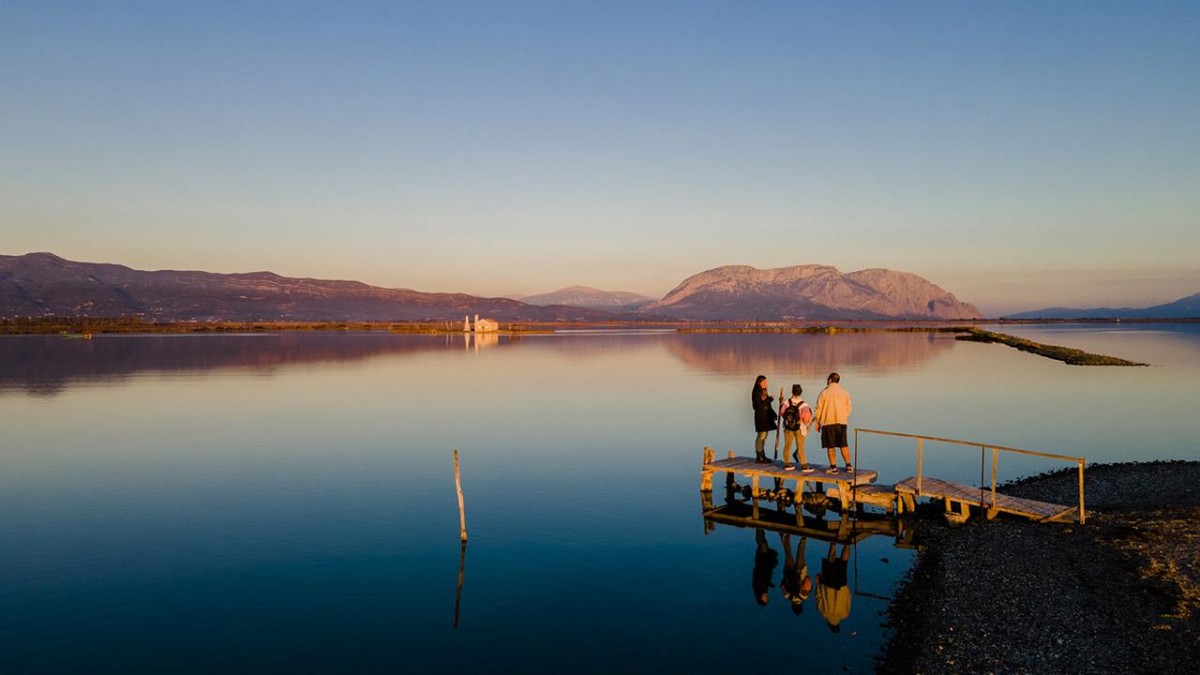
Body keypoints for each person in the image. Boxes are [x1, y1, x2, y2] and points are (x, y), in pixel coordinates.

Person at [813, 372, 852, 473]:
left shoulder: (824, 393)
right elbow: (848, 408)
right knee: (844, 444)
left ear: (830, 380)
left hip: (828, 422)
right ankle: (848, 466)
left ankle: (833, 467)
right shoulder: (844, 392)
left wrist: (817, 422)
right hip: (842, 422)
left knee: (831, 446)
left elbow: (819, 409)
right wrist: (843, 416)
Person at [816, 542, 852, 632]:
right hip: (828, 586)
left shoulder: (845, 614)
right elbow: (818, 597)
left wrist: (847, 588)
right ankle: (833, 544)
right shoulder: (823, 613)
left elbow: (849, 599)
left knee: (843, 563)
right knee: (830, 563)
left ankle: (847, 544)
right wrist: (818, 582)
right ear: (829, 625)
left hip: (842, 587)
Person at [778, 384, 813, 472]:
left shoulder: (787, 402)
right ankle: (804, 465)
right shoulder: (804, 404)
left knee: (787, 445)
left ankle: (787, 464)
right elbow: (806, 419)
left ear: (792, 392)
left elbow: (782, 413)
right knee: (800, 447)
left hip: (788, 427)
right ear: (800, 392)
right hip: (799, 428)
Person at [779, 532, 812, 615]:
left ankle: (804, 536)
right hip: (788, 572)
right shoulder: (787, 596)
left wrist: (804, 578)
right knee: (788, 553)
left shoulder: (804, 595)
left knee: (800, 552)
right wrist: (787, 578)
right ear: (792, 606)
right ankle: (785, 536)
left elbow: (808, 581)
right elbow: (782, 585)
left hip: (801, 572)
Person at [750, 375, 777, 464]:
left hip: (766, 417)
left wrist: (773, 414)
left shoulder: (764, 391)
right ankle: (759, 456)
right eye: (764, 382)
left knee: (764, 436)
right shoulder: (756, 392)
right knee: (761, 436)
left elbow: (768, 406)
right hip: (761, 418)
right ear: (759, 382)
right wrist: (769, 399)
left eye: (766, 382)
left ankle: (763, 455)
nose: (766, 384)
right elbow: (759, 405)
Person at [752, 528, 778, 606]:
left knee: (762, 544)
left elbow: (760, 576)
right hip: (765, 562)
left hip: (762, 561)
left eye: (765, 599)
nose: (767, 597)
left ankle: (759, 528)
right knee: (763, 544)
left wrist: (768, 582)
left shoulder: (758, 588)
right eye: (767, 599)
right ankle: (760, 528)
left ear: (761, 598)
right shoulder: (764, 589)